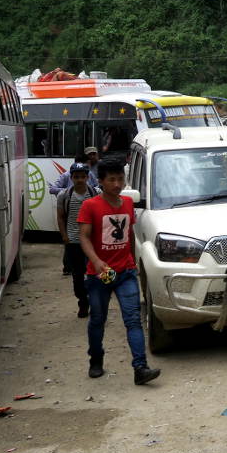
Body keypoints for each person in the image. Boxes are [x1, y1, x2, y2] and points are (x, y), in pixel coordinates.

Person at [77, 157, 161, 384]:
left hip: (125, 273)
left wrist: (132, 262)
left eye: (120, 179)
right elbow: (83, 237)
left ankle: (140, 368)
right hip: (99, 275)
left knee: (133, 319)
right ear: (101, 181)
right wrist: (95, 261)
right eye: (112, 179)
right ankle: (96, 359)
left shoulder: (127, 203)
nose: (117, 184)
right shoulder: (90, 205)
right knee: (97, 319)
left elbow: (129, 234)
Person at [56, 162, 98, 318]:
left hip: (93, 242)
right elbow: (60, 217)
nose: (79, 180)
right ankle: (83, 302)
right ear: (71, 178)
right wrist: (64, 236)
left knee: (96, 274)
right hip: (73, 241)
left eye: (82, 177)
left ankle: (96, 303)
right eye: (76, 177)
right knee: (77, 275)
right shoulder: (64, 195)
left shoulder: (96, 193)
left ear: (87, 177)